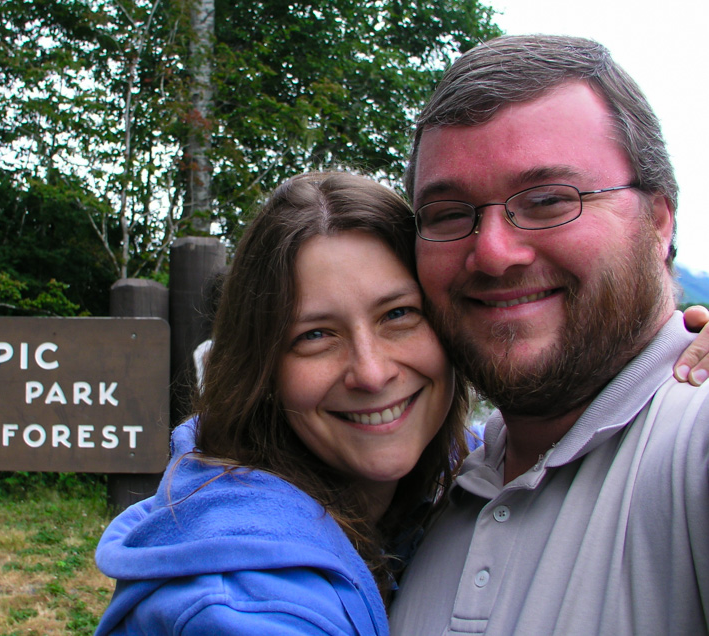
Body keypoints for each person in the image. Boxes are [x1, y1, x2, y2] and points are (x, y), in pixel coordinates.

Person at [388, 35, 709, 635]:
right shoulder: (426, 499)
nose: (492, 252)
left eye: (547, 200)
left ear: (659, 221)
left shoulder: (694, 440)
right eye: (450, 214)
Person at [94, 172, 470, 635]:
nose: (372, 374)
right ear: (262, 368)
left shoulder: (475, 472)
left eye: (398, 314)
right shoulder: (243, 607)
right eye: (315, 335)